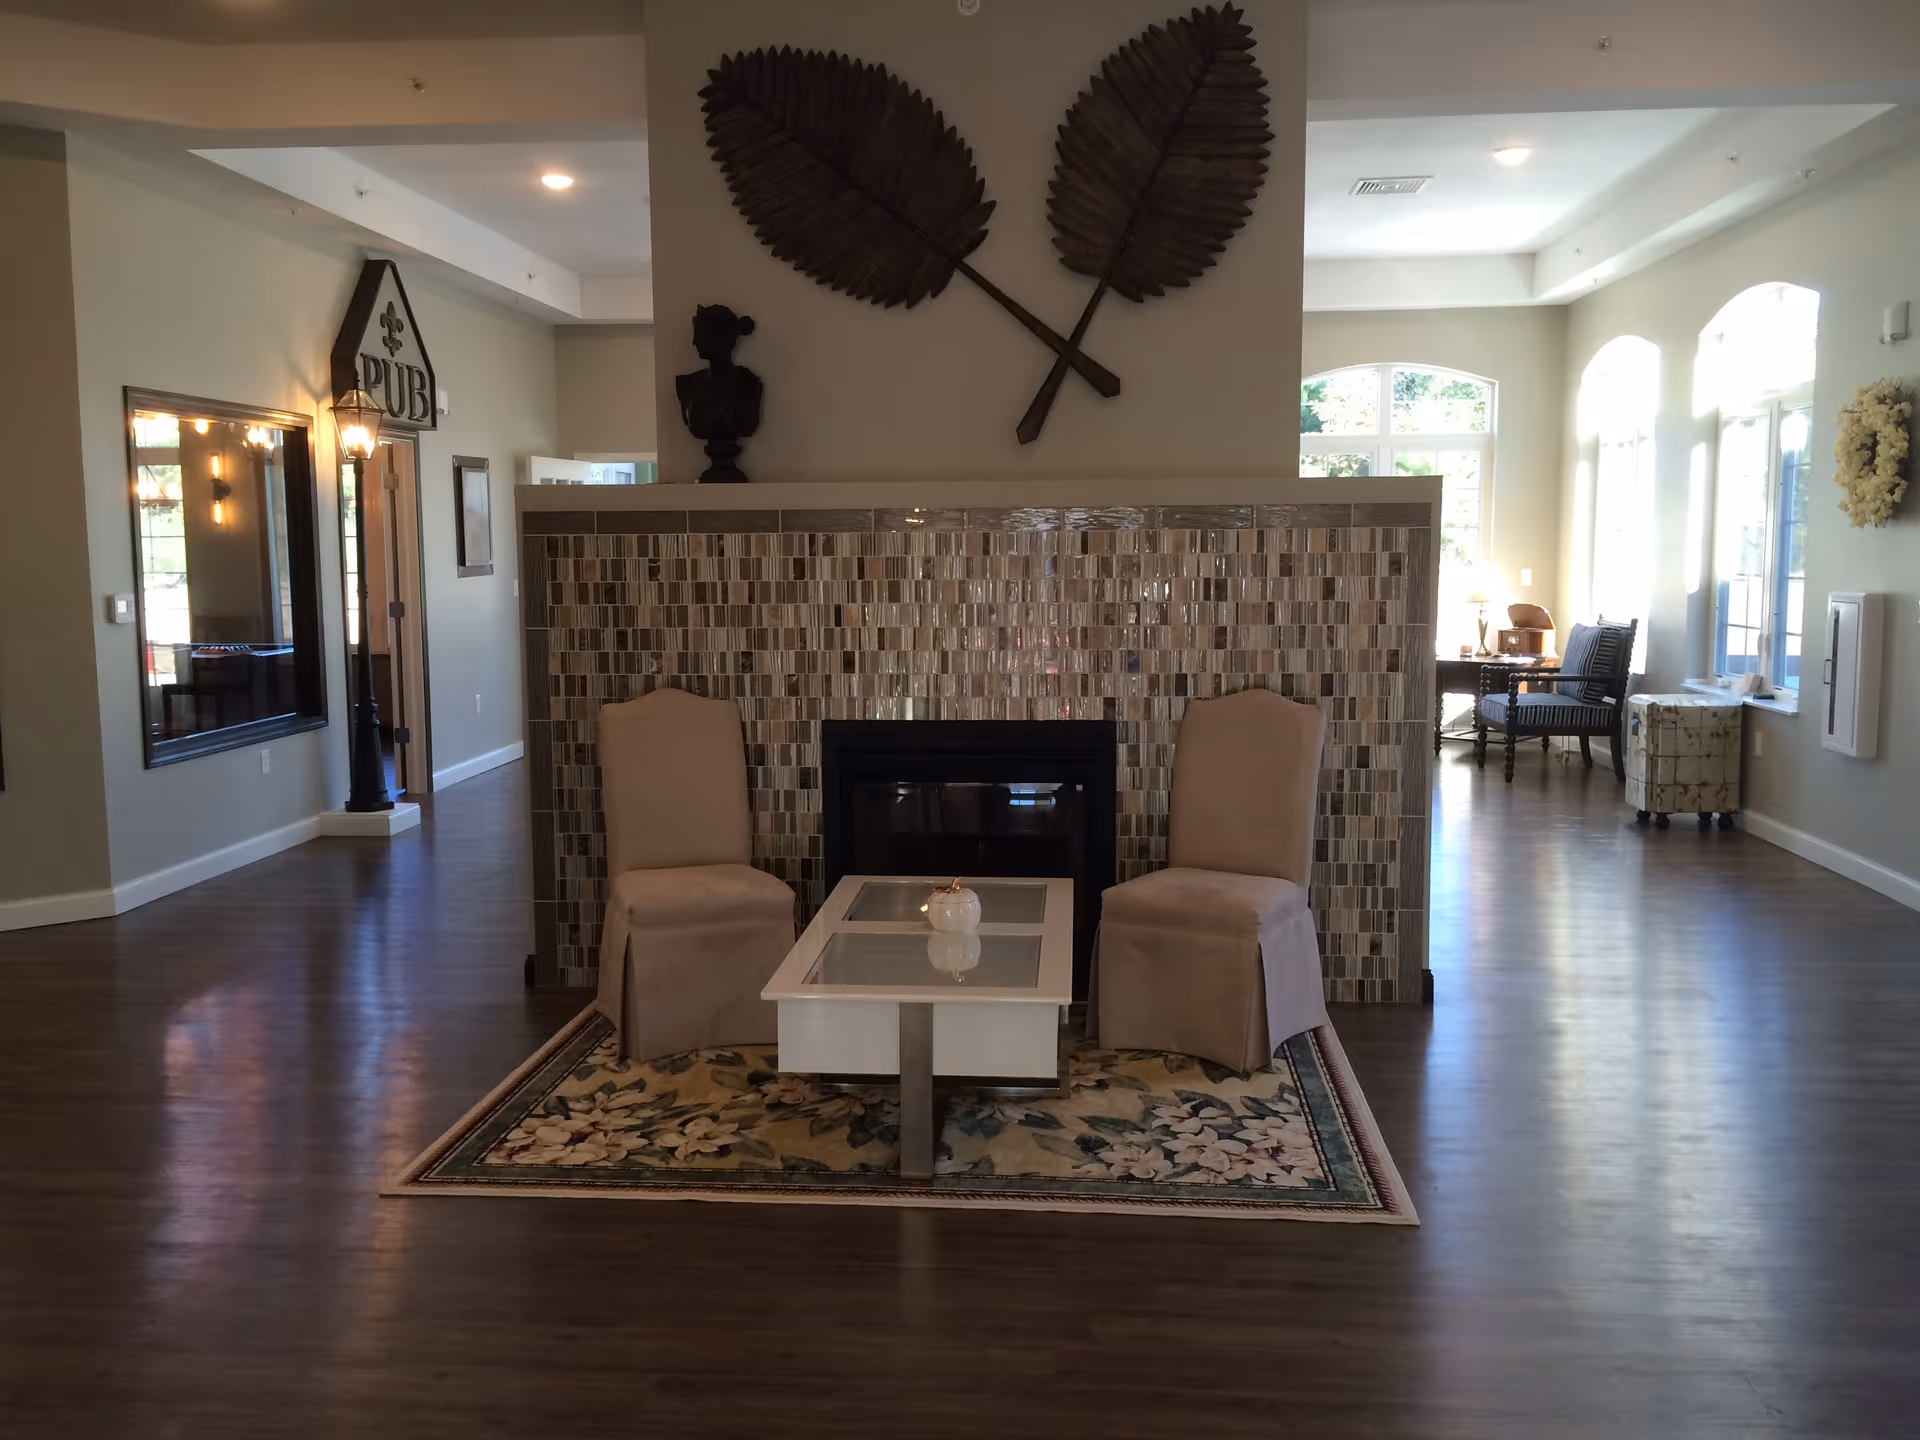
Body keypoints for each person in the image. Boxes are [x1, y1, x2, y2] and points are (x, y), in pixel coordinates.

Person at [674, 304, 762, 483]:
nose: (694, 342)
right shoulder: (688, 385)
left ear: (719, 335)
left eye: (699, 334)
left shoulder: (748, 384)